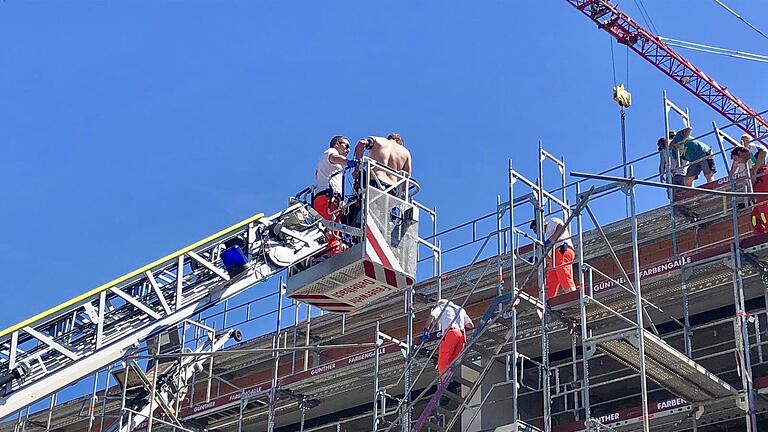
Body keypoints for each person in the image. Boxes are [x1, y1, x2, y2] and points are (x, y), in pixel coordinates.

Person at [313, 135, 356, 255]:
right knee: (330, 232)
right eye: (346, 146)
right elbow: (334, 158)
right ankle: (332, 254)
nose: (348, 150)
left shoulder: (333, 167)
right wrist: (349, 162)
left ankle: (330, 254)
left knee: (332, 234)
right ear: (337, 144)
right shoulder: (331, 152)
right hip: (327, 199)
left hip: (329, 200)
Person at [423, 299, 475, 374]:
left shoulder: (441, 307)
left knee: (444, 356)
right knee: (454, 358)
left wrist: (426, 330)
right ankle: (449, 372)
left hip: (451, 333)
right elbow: (470, 325)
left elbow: (432, 316)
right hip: (462, 335)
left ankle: (443, 376)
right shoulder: (460, 309)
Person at [530, 217, 576, 299]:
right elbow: (548, 255)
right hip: (554, 255)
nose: (536, 231)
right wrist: (538, 258)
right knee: (551, 277)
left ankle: (571, 292)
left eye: (536, 228)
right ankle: (549, 299)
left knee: (562, 269)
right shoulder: (547, 235)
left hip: (562, 249)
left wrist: (550, 240)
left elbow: (561, 228)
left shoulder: (552, 221)